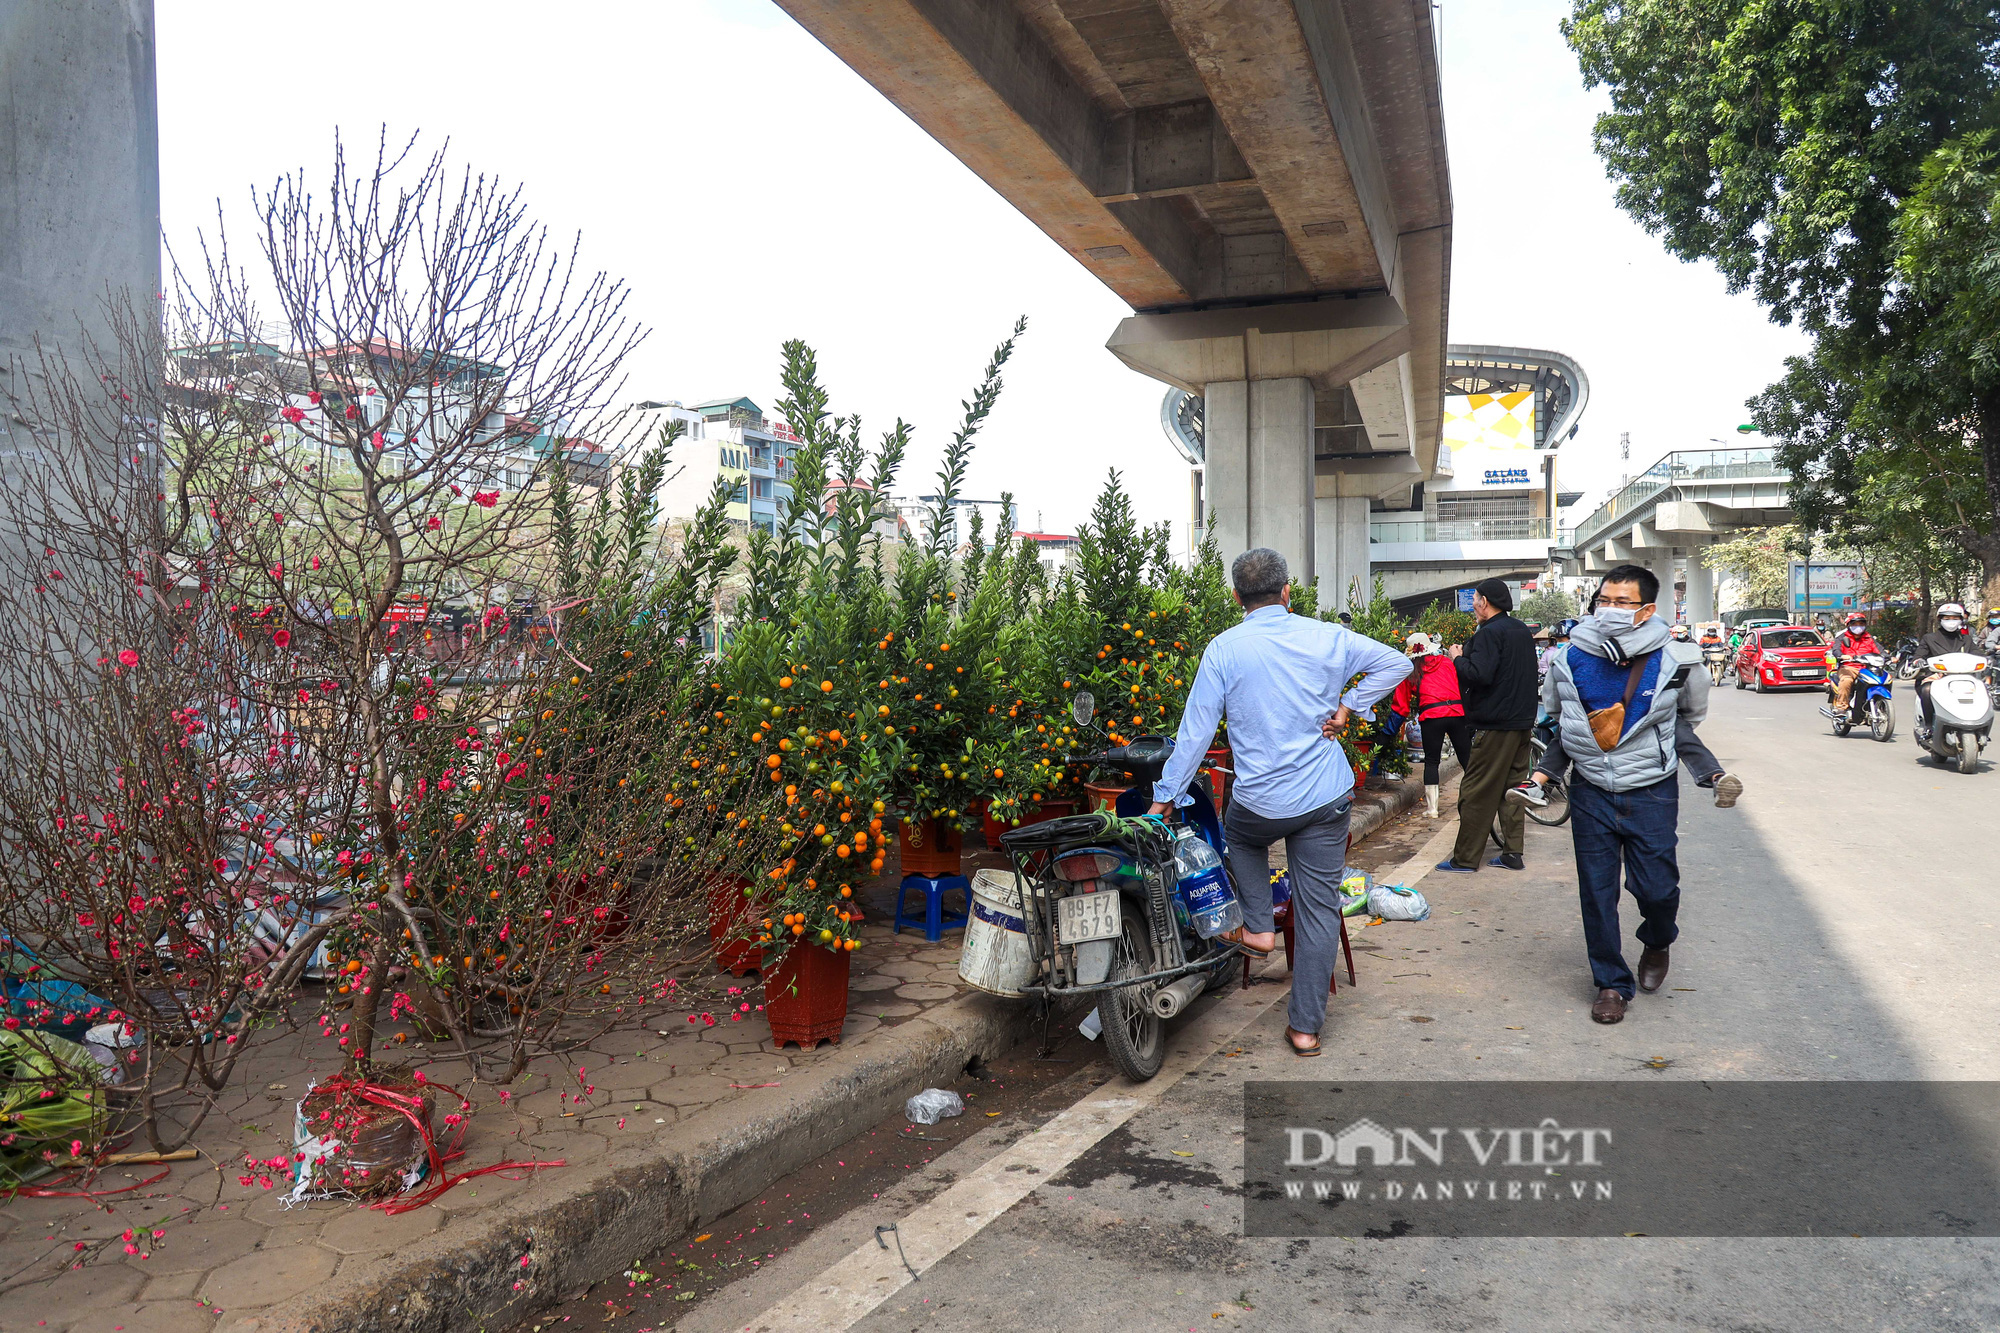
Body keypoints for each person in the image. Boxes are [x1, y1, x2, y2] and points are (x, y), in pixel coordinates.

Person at [1147, 548, 1410, 1057]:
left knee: (1239, 836)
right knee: (1317, 911)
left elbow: (1195, 734)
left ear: (1235, 597)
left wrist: (1165, 798)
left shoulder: (1224, 649)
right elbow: (1397, 663)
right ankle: (1306, 1029)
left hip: (1260, 803)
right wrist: (1349, 707)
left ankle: (1260, 928)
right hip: (1324, 797)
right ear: (1287, 591)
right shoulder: (1328, 636)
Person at [1532, 564, 1707, 1025]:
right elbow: (1558, 714)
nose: (1608, 610)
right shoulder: (1569, 658)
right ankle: (1610, 982)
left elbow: (1690, 714)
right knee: (1597, 891)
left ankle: (1657, 937)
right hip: (1591, 790)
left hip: (1651, 789)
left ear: (1647, 609)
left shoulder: (1678, 658)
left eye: (1622, 603)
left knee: (1657, 888)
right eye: (1603, 601)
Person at [1435, 579, 1539, 873]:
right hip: (1522, 724)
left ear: (1484, 602)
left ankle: (1465, 859)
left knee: (1475, 792)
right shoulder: (1520, 630)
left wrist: (1457, 658)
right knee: (1513, 790)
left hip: (1495, 725)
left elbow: (1478, 675)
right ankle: (1512, 853)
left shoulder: (1488, 634)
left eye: (1475, 600)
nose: (1473, 607)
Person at [1387, 632, 1470, 818]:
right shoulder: (1447, 662)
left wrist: (1387, 733)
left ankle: (1432, 809)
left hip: (1432, 717)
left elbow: (1401, 707)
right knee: (1467, 760)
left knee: (1432, 762)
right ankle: (1476, 803)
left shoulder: (1410, 672)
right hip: (1457, 713)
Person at [1914, 602, 1979, 738]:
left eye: (1955, 618)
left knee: (1982, 690)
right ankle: (1928, 726)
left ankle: (1979, 724)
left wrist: (1987, 659)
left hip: (1964, 677)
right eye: (1947, 618)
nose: (1951, 621)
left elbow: (1978, 653)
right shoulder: (1929, 638)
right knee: (1926, 690)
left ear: (1961, 620)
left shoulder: (1966, 639)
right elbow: (1919, 655)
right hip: (1937, 677)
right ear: (1940, 619)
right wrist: (1919, 661)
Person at [1821, 612, 1884, 719]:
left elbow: (1880, 650)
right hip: (1849, 667)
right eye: (1855, 624)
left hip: (1868, 667)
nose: (1858, 627)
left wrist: (1889, 657)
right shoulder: (1842, 638)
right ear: (1849, 625)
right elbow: (1836, 650)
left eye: (1861, 624)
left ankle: (1879, 705)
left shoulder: (1869, 638)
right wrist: (1842, 656)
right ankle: (1842, 706)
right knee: (1846, 680)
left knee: (1884, 678)